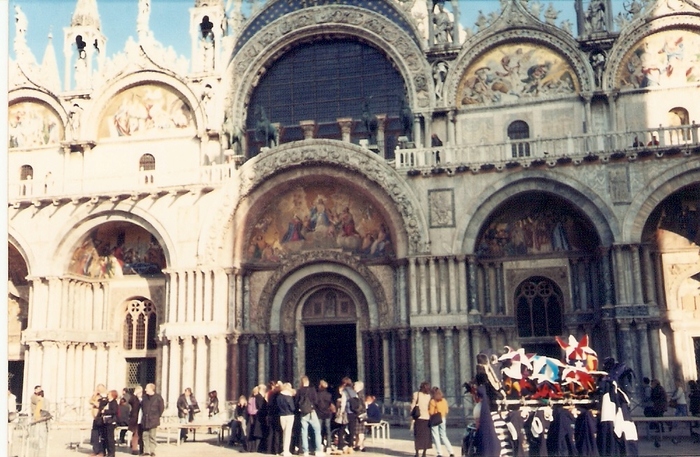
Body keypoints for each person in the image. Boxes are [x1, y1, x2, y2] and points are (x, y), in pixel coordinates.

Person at [296, 375, 325, 457]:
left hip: (303, 413)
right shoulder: (312, 390)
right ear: (307, 381)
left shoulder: (299, 391)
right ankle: (318, 450)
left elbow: (296, 402)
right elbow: (316, 401)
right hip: (311, 412)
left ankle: (305, 451)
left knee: (304, 432)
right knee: (317, 430)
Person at [429, 387, 454, 457]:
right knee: (444, 436)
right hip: (443, 418)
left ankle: (439, 453)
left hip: (435, 419)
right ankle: (451, 451)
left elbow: (431, 412)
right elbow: (446, 411)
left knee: (436, 436)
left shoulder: (433, 401)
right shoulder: (444, 400)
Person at [141, 383, 164, 457]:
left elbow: (161, 408)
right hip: (145, 419)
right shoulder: (144, 397)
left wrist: (156, 416)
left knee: (152, 436)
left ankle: (152, 451)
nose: (145, 390)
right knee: (145, 435)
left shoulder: (158, 397)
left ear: (151, 389)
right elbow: (142, 406)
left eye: (146, 388)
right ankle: (146, 451)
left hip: (153, 419)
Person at [410, 381, 432, 457]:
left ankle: (417, 453)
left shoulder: (416, 394)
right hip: (427, 418)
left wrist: (412, 415)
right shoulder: (429, 396)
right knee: (426, 436)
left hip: (418, 418)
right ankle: (424, 453)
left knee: (418, 436)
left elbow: (412, 406)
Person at [88, 384, 108, 457]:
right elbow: (90, 401)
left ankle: (102, 451)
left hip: (101, 418)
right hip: (95, 418)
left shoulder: (104, 397)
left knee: (102, 436)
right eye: (97, 389)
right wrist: (94, 395)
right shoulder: (96, 396)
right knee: (95, 435)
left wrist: (94, 402)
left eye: (99, 389)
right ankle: (95, 450)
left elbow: (99, 405)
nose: (98, 390)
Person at [278, 382, 296, 457]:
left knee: (284, 433)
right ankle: (286, 451)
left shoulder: (279, 396)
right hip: (289, 415)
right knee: (288, 433)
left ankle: (284, 450)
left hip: (281, 416)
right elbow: (292, 407)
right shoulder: (289, 397)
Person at [316, 380, 334, 452]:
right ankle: (328, 446)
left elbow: (316, 404)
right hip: (327, 414)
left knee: (319, 431)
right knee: (328, 431)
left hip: (319, 414)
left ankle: (320, 444)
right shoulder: (329, 395)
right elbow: (330, 404)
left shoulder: (317, 395)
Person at [101, 390, 119, 457]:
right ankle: (107, 451)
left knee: (110, 438)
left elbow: (114, 411)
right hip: (106, 421)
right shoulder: (108, 402)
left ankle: (111, 453)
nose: (107, 395)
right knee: (106, 437)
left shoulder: (114, 402)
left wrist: (105, 411)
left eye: (109, 394)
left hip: (110, 422)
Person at [128, 386, 143, 456]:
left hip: (142, 419)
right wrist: (134, 394)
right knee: (136, 434)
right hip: (135, 419)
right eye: (139, 392)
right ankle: (134, 448)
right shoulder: (134, 399)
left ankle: (141, 448)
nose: (140, 393)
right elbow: (130, 401)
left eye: (141, 392)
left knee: (141, 434)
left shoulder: (143, 399)